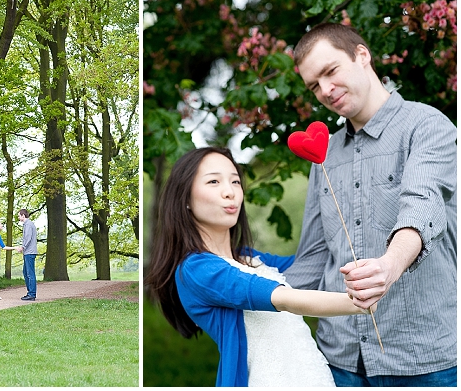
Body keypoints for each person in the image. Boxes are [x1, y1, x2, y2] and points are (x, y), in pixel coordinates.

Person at [284, 22, 457, 386]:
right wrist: (251, 290)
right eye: (314, 85)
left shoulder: (428, 126)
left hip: (424, 361)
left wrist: (388, 266)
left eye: (330, 72)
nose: (325, 91)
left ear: (362, 55)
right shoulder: (324, 155)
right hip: (340, 359)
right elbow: (315, 256)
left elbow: (422, 205)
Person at [145, 146, 375, 387]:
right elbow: (283, 298)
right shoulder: (196, 269)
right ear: (186, 199)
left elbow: (315, 260)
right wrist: (358, 303)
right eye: (213, 181)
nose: (230, 192)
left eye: (235, 182)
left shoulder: (253, 260)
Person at [16, 209, 37, 301]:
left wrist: (23, 247)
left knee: (30, 273)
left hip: (29, 252)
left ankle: (32, 294)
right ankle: (30, 292)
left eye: (19, 216)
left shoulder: (28, 224)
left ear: (23, 216)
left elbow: (28, 237)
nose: (18, 217)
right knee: (26, 272)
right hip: (28, 252)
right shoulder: (28, 224)